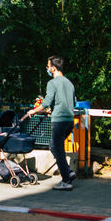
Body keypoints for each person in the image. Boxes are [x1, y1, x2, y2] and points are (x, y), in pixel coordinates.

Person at [27, 55, 77, 190]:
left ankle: (66, 181)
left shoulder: (52, 83)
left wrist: (34, 111)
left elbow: (47, 102)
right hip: (69, 120)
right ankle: (69, 172)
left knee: (58, 149)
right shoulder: (69, 83)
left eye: (48, 66)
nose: (47, 69)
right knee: (54, 146)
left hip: (59, 121)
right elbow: (73, 102)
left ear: (53, 68)